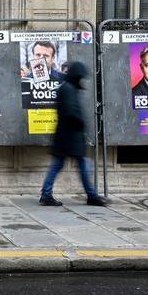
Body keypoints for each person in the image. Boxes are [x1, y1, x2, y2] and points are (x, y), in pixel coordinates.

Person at [39, 61, 109, 207]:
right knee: (81, 164)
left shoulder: (67, 87)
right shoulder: (68, 89)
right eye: (80, 77)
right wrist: (81, 122)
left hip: (67, 135)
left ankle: (47, 194)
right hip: (70, 136)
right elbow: (70, 112)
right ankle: (91, 196)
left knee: (60, 165)